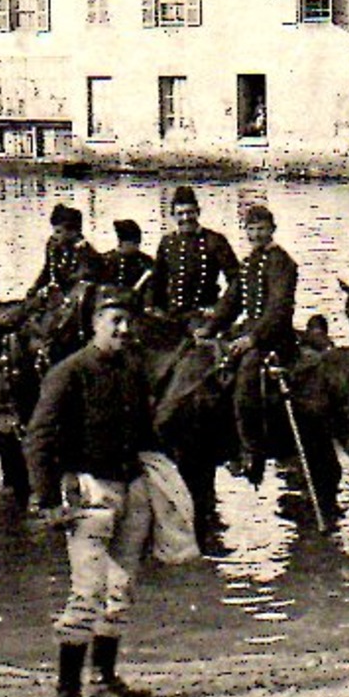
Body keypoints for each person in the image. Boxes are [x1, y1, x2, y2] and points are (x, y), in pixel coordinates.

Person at [26, 286, 159, 697]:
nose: (122, 328)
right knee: (87, 592)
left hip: (131, 488)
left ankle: (103, 679)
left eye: (127, 320)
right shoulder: (69, 373)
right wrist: (48, 499)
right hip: (90, 493)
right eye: (113, 320)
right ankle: (67, 692)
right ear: (94, 324)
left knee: (121, 590)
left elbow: (145, 432)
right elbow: (39, 440)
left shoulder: (133, 369)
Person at [205, 204, 298, 483]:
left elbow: (279, 309)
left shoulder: (282, 262)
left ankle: (252, 450)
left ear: (272, 230)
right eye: (252, 229)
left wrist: (253, 339)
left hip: (275, 337)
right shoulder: (248, 264)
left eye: (261, 229)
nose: (256, 235)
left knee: (246, 374)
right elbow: (231, 302)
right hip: (249, 332)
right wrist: (209, 328)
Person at [146, 186, 239, 326]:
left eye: (190, 212)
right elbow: (157, 280)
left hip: (202, 314)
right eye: (180, 213)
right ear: (173, 215)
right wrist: (152, 307)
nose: (186, 218)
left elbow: (236, 279)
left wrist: (220, 309)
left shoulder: (214, 241)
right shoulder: (168, 242)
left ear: (198, 212)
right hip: (172, 314)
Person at [30, 204, 100, 298]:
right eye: (54, 231)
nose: (54, 236)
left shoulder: (85, 253)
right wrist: (35, 288)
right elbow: (48, 270)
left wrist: (54, 290)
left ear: (73, 233)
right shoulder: (54, 246)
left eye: (59, 232)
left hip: (76, 299)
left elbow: (80, 280)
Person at [102, 220, 154, 291]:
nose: (137, 246)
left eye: (137, 243)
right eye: (134, 243)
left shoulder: (144, 262)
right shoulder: (107, 260)